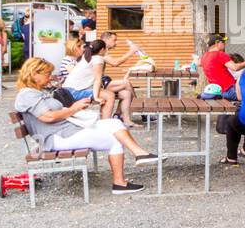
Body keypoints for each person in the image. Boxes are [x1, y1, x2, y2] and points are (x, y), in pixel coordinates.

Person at [14, 57, 159, 194]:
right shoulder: (27, 94)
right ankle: (121, 181)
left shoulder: (35, 92)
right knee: (115, 139)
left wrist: (76, 108)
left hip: (65, 131)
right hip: (56, 138)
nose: (50, 77)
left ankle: (138, 156)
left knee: (115, 122)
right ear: (34, 74)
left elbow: (54, 114)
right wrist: (74, 108)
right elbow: (47, 117)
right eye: (47, 74)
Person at [199, 35, 245, 100]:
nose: (224, 44)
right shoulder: (220, 54)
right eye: (223, 42)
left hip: (217, 92)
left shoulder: (204, 57)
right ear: (217, 43)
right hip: (230, 91)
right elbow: (235, 68)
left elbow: (198, 63)